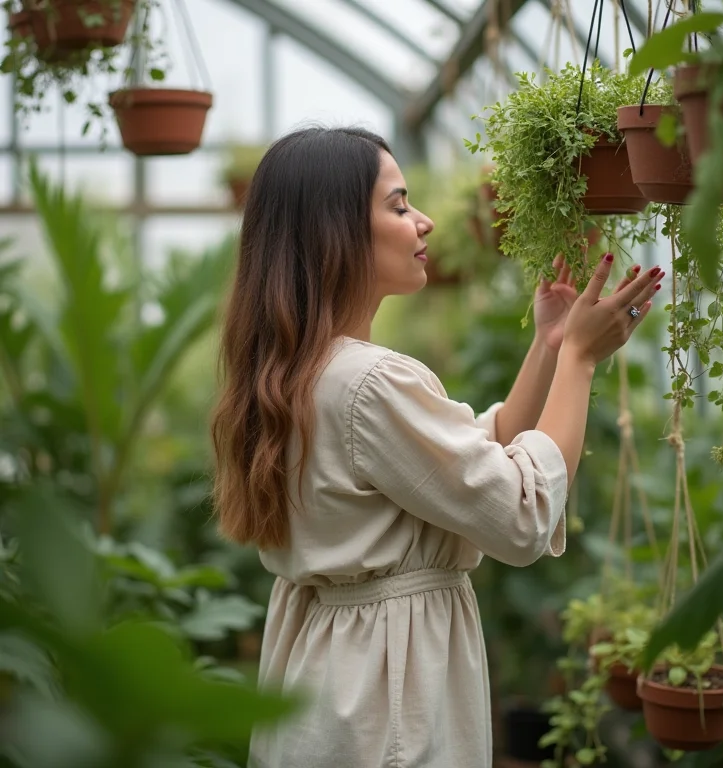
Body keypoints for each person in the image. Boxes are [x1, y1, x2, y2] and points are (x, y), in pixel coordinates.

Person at [210, 126, 664, 768]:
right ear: (333, 230)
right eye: (397, 205)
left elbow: (462, 469)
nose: (422, 222)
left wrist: (551, 346)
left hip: (332, 670)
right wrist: (582, 362)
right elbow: (518, 514)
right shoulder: (371, 381)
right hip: (387, 689)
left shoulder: (299, 373)